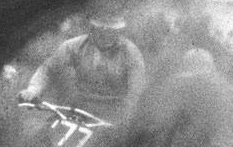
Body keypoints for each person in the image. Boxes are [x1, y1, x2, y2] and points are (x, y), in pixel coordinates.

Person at [18, 12, 146, 123]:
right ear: (92, 28)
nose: (105, 35)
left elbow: (136, 90)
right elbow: (48, 69)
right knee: (44, 136)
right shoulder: (74, 45)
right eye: (100, 29)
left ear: (119, 32)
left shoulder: (131, 53)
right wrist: (33, 91)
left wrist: (126, 116)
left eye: (111, 31)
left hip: (112, 113)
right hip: (79, 108)